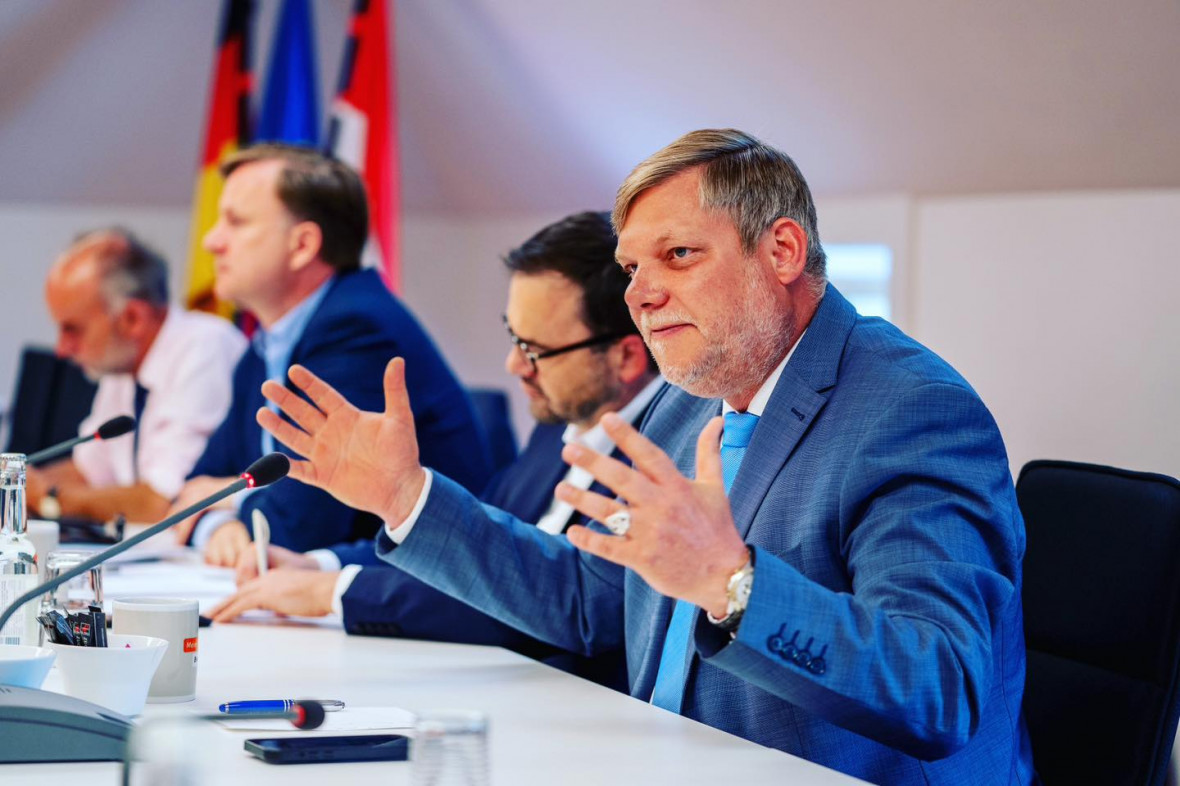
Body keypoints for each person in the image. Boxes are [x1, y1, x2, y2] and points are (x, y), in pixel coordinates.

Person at [254, 130, 1036, 784]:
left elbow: (938, 686)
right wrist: (406, 497)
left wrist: (732, 585)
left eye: (679, 255)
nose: (640, 294)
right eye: (633, 268)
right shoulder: (688, 397)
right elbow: (589, 597)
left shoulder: (912, 412)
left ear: (782, 250)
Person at [211, 213, 661, 691]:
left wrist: (336, 590)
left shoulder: (662, 459)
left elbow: (543, 602)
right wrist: (325, 564)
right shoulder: (558, 427)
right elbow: (483, 542)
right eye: (513, 337)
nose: (514, 365)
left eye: (534, 350)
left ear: (625, 358)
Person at [171, 143, 492, 566]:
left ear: (302, 245)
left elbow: (298, 530)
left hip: (421, 588)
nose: (211, 241)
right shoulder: (263, 347)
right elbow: (191, 492)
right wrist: (217, 524)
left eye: (236, 222)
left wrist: (229, 502)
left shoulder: (356, 330)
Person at [27, 228, 246, 523]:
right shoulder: (123, 362)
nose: (62, 349)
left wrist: (50, 499)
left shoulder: (206, 347)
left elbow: (164, 502)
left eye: (72, 329)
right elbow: (88, 471)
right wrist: (16, 483)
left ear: (132, 319)